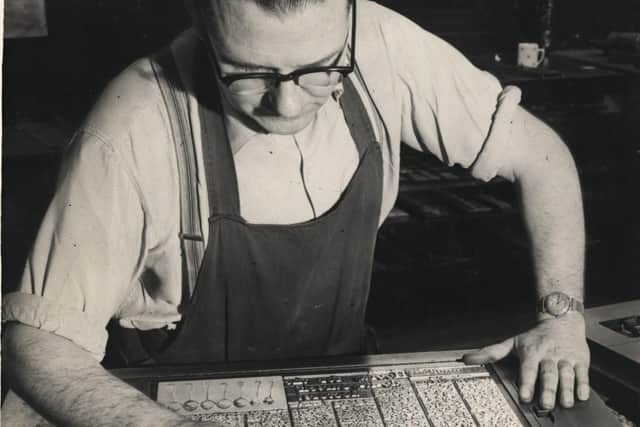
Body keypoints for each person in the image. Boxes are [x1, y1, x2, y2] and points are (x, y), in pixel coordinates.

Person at [2, 0, 590, 425]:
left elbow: (541, 157)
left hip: (338, 385)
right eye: (249, 72)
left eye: (320, 71)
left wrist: (561, 316)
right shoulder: (132, 125)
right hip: (172, 398)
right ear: (201, 22)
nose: (285, 104)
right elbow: (38, 342)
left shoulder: (382, 43)